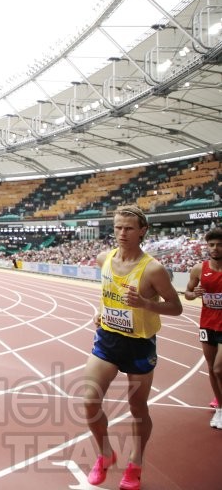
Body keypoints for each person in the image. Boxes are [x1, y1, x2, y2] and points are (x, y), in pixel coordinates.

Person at [81, 205, 183, 490]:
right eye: (117, 227)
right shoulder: (104, 258)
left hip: (139, 345)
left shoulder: (153, 269)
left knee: (137, 407)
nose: (122, 233)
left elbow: (176, 307)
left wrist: (145, 304)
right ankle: (105, 454)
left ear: (142, 231)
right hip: (108, 341)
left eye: (128, 228)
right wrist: (101, 310)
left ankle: (136, 463)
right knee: (89, 401)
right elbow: (107, 291)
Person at [183, 227, 222, 429]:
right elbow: (187, 293)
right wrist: (194, 294)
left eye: (219, 244)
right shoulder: (199, 269)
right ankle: (220, 404)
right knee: (211, 368)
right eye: (212, 244)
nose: (215, 248)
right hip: (207, 322)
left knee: (219, 367)